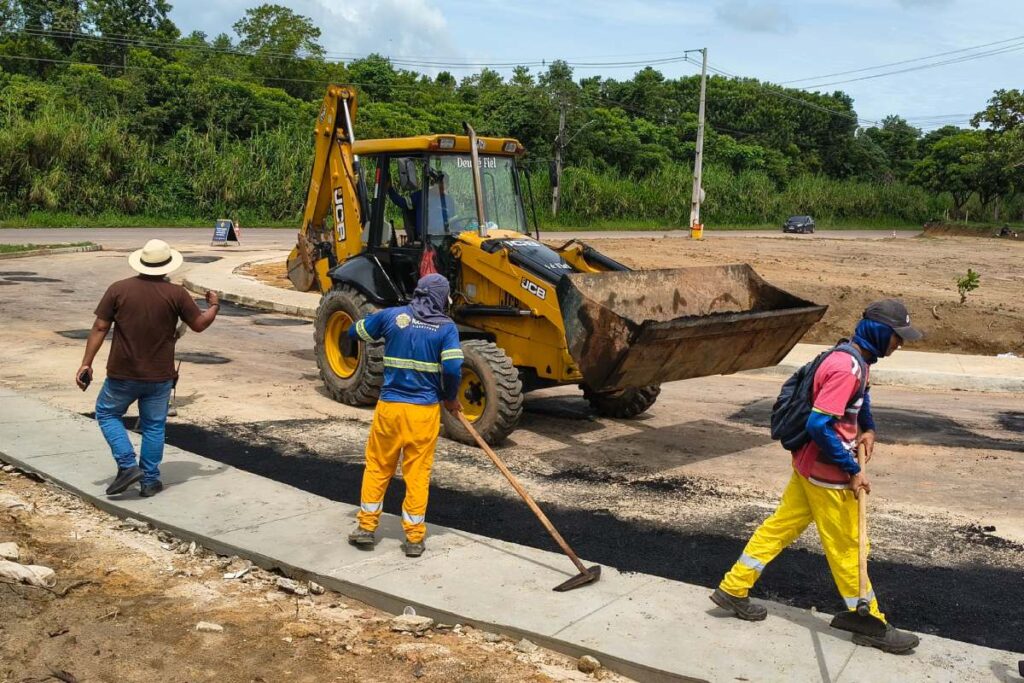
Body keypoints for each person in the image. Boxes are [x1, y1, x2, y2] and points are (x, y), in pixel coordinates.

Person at [711, 299, 923, 654]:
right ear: (880, 332)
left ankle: (733, 588)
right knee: (850, 547)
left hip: (807, 467)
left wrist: (868, 428)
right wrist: (853, 470)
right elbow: (819, 425)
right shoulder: (847, 369)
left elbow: (860, 399)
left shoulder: (855, 356)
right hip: (827, 474)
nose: (900, 344)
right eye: (897, 337)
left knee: (780, 526)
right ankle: (870, 621)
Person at [77, 239, 220, 498]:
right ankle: (150, 480)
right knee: (154, 426)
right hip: (160, 375)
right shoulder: (176, 294)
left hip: (122, 373)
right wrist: (214, 306)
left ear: (141, 262)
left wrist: (86, 362)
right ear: (167, 266)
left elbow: (100, 327)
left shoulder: (118, 290)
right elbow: (199, 324)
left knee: (107, 414)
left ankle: (127, 465)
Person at [346, 274, 464, 557]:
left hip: (389, 409)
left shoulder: (391, 316)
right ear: (441, 298)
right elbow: (452, 369)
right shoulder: (446, 328)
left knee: (378, 466)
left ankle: (365, 528)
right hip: (423, 412)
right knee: (417, 473)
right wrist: (450, 399)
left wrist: (368, 327)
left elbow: (355, 331)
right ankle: (413, 538)